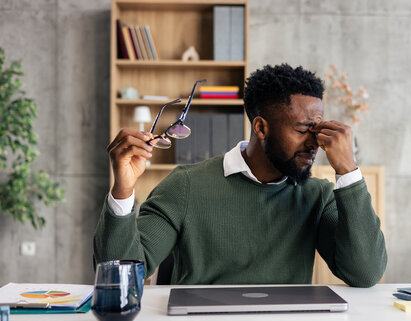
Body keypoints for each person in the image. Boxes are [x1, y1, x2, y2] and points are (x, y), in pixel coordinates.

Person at [94, 63, 387, 287]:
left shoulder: (317, 195)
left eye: (317, 131)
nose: (314, 143)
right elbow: (120, 277)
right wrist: (122, 189)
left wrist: (349, 173)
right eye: (301, 130)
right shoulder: (185, 185)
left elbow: (365, 273)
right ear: (261, 128)